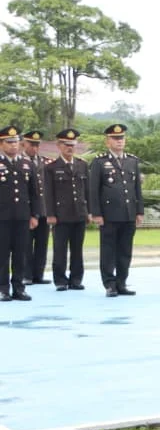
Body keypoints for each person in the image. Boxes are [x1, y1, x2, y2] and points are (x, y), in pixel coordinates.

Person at [88, 123, 143, 297]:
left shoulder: (132, 161)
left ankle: (121, 283)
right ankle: (110, 284)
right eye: (115, 138)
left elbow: (137, 188)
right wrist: (96, 213)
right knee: (108, 251)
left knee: (125, 251)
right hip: (109, 215)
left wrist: (139, 211)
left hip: (128, 213)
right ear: (108, 141)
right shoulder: (99, 162)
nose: (119, 141)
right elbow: (93, 190)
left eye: (122, 138)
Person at [43, 128, 89, 291]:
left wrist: (89, 211)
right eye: (66, 144)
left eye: (72, 144)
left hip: (79, 214)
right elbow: (48, 193)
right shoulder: (51, 167)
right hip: (60, 215)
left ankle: (76, 279)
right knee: (60, 250)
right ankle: (60, 280)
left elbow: (87, 190)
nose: (70, 148)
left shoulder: (82, 165)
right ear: (59, 145)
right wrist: (50, 214)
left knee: (77, 250)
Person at [0, 124, 42, 301]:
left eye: (16, 142)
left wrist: (35, 215)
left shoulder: (26, 164)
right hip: (2, 218)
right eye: (9, 142)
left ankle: (19, 288)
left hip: (22, 217)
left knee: (20, 254)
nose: (13, 145)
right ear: (1, 144)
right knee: (2, 254)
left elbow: (34, 193)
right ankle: (3, 289)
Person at [21, 131, 50, 285]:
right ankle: (26, 275)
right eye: (31, 144)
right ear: (23, 144)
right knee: (26, 244)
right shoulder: (20, 162)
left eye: (37, 145)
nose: (35, 148)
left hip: (44, 209)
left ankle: (38, 274)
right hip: (27, 210)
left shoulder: (46, 162)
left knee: (42, 244)